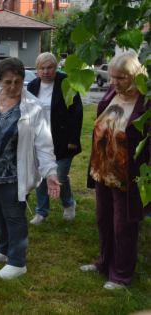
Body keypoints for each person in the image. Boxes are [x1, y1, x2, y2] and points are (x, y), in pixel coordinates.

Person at [0, 57, 61, 279]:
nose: (12, 87)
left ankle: (17, 261)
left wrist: (51, 173)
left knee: (13, 214)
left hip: (14, 173)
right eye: (7, 82)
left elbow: (44, 145)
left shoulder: (33, 107)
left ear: (23, 81)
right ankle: (3, 249)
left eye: (18, 82)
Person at [81, 52, 151, 289]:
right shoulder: (114, 93)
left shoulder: (146, 102)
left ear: (135, 75)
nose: (114, 83)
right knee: (103, 220)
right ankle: (104, 263)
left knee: (124, 226)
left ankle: (121, 275)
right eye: (112, 77)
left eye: (121, 78)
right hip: (103, 171)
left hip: (127, 177)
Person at [27, 53, 83, 225]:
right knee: (41, 175)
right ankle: (42, 213)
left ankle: (68, 203)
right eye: (42, 68)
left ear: (56, 67)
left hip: (63, 139)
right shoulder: (32, 85)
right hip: (40, 139)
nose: (46, 72)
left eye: (49, 67)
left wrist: (73, 138)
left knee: (60, 175)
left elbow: (77, 111)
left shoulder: (65, 82)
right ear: (37, 70)